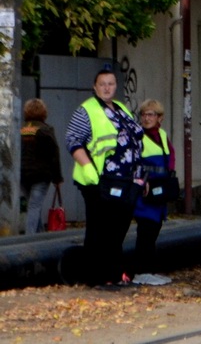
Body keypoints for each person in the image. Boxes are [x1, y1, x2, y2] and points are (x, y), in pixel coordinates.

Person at [66, 68, 143, 288]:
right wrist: (88, 168)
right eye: (102, 84)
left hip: (126, 180)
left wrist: (139, 177)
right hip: (100, 180)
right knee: (100, 228)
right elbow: (73, 140)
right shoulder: (86, 110)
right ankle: (97, 276)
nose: (107, 88)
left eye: (110, 83)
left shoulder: (120, 109)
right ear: (95, 86)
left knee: (119, 227)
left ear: (116, 86)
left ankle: (116, 274)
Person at [131, 99, 174, 286]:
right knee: (146, 231)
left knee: (154, 229)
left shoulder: (162, 135)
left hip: (160, 190)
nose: (146, 118)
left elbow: (170, 157)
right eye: (144, 114)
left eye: (151, 114)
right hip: (145, 191)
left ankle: (149, 270)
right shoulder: (137, 137)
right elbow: (132, 162)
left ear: (160, 118)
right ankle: (141, 272)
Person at [20, 98, 63, 235]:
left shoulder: (21, 129)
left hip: (23, 175)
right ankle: (29, 239)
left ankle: (39, 236)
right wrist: (57, 178)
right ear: (43, 112)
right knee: (34, 206)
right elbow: (54, 154)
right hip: (41, 175)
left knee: (33, 206)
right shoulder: (46, 130)